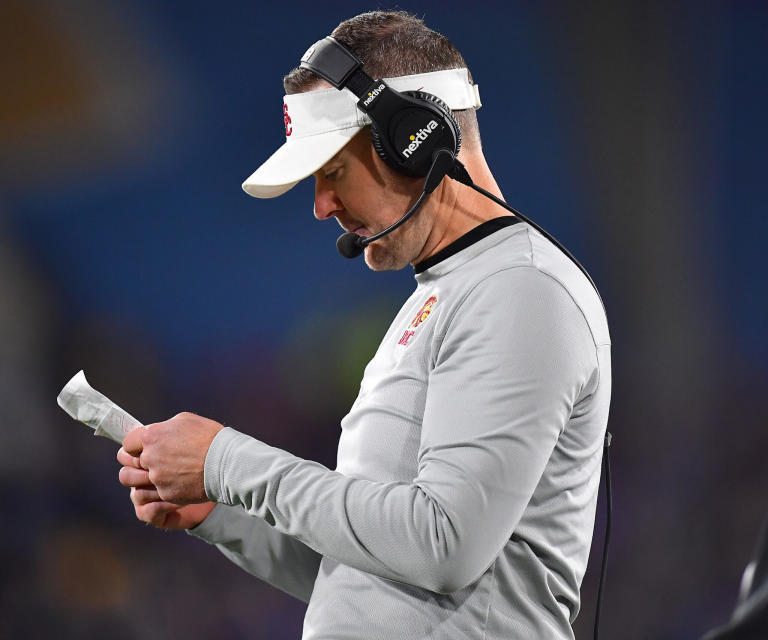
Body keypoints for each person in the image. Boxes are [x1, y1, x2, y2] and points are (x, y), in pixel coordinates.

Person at [117, 11, 612, 640]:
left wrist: (228, 462)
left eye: (333, 172)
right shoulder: (448, 294)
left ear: (413, 140)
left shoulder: (521, 290)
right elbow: (371, 577)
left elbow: (444, 545)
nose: (321, 206)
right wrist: (222, 513)